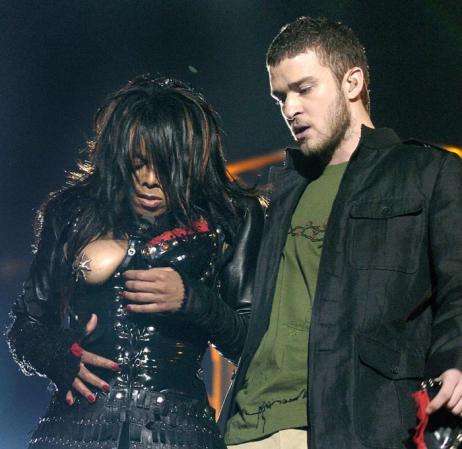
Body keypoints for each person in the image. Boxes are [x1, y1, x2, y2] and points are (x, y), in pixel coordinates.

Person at [223, 16, 462, 449]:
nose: (290, 108)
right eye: (280, 97)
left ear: (352, 83)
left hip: (354, 426)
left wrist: (456, 360)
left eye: (304, 88)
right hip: (245, 429)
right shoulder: (276, 193)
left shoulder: (428, 173)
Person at [7, 76, 262, 449]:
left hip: (178, 432)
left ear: (192, 160)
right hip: (74, 429)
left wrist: (194, 300)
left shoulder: (232, 217)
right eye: (138, 163)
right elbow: (26, 326)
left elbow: (252, 344)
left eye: (164, 166)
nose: (149, 180)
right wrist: (59, 356)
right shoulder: (71, 211)